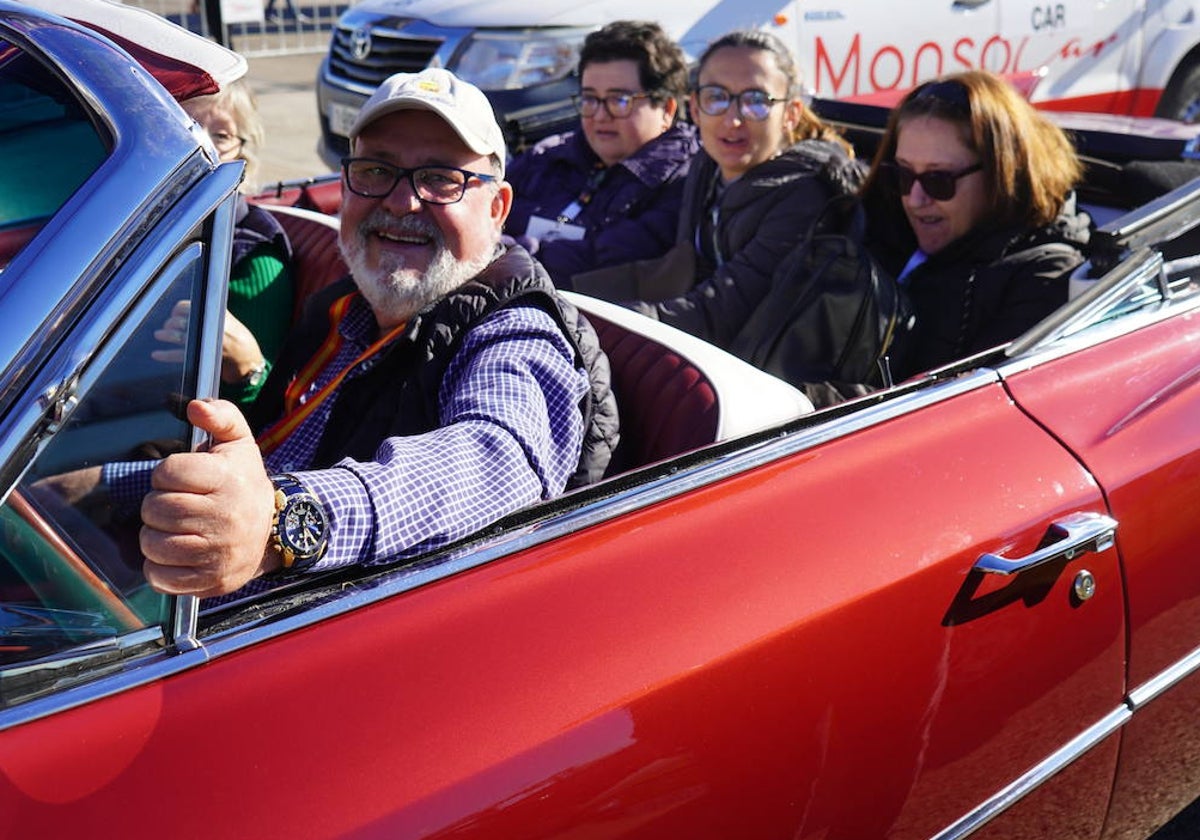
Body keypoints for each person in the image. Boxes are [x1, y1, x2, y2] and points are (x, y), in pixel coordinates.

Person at [103, 68, 619, 600]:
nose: (401, 202)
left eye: (441, 179)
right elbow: (264, 463)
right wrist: (104, 487)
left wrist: (284, 524)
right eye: (376, 170)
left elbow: (494, 458)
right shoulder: (343, 312)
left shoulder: (516, 329)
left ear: (496, 208)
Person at [574, 29, 861, 352]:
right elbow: (678, 269)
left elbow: (721, 313)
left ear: (790, 115)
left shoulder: (805, 197)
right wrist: (565, 295)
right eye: (717, 97)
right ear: (695, 108)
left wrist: (591, 325)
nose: (733, 120)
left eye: (756, 101)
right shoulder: (706, 166)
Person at [858, 70, 1091, 379]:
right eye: (902, 175)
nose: (915, 199)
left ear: (1001, 174)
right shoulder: (885, 227)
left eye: (938, 179)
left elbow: (941, 403)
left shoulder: (1043, 275)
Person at [503, 20, 698, 288]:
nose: (600, 115)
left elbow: (609, 260)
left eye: (620, 101)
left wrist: (507, 257)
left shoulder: (684, 182)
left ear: (666, 108)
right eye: (590, 99)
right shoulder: (546, 156)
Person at [173, 79, 295, 408]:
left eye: (222, 135)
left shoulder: (255, 259)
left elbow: (262, 399)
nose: (204, 147)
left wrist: (244, 366)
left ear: (242, 151)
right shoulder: (147, 225)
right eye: (189, 126)